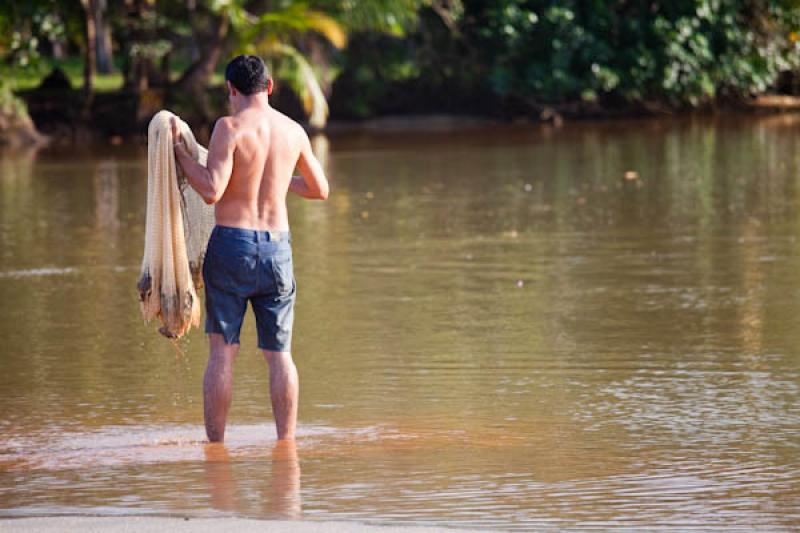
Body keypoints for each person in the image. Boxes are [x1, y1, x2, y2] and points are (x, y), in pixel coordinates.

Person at [172, 55, 329, 442]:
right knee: (280, 356)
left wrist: (180, 156)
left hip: (232, 245)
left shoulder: (229, 127)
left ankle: (216, 447)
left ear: (231, 89)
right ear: (270, 86)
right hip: (278, 250)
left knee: (223, 353)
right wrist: (278, 180)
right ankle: (286, 445)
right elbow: (319, 189)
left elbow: (211, 190)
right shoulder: (294, 131)